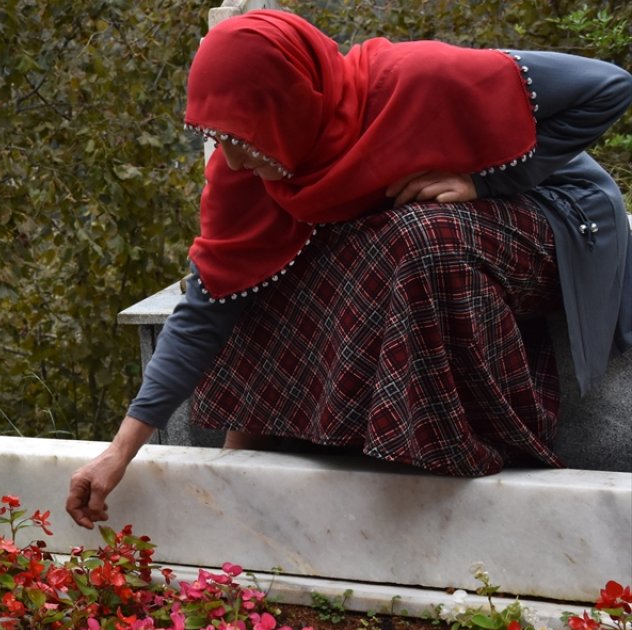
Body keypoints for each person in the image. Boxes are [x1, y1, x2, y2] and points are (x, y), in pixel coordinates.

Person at [67, 9, 632, 529]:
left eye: (242, 137)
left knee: (413, 235)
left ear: (288, 105)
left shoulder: (414, 77)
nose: (232, 157)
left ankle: (460, 445)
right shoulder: (255, 171)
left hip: (551, 213)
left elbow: (610, 86)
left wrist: (483, 182)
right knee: (269, 265)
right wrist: (120, 450)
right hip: (427, 233)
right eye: (220, 137)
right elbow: (208, 302)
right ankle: (270, 443)